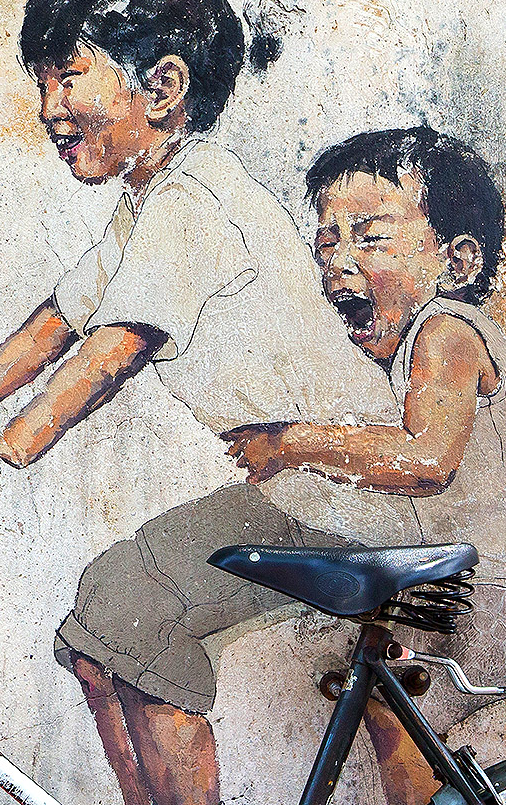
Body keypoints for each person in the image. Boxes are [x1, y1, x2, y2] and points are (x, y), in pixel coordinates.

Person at [0, 0, 425, 803]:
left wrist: (7, 445)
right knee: (101, 626)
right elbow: (56, 323)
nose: (47, 107)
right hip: (298, 495)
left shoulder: (195, 198)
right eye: (41, 83)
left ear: (162, 88)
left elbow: (114, 349)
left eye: (68, 76)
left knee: (138, 623)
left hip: (342, 499)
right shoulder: (148, 200)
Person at [226, 126, 506, 798]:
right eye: (328, 242)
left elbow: (428, 458)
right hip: (458, 585)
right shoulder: (414, 341)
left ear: (458, 261)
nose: (339, 261)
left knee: (413, 735)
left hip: (487, 595)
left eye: (370, 238)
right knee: (397, 720)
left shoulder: (445, 330)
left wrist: (293, 444)